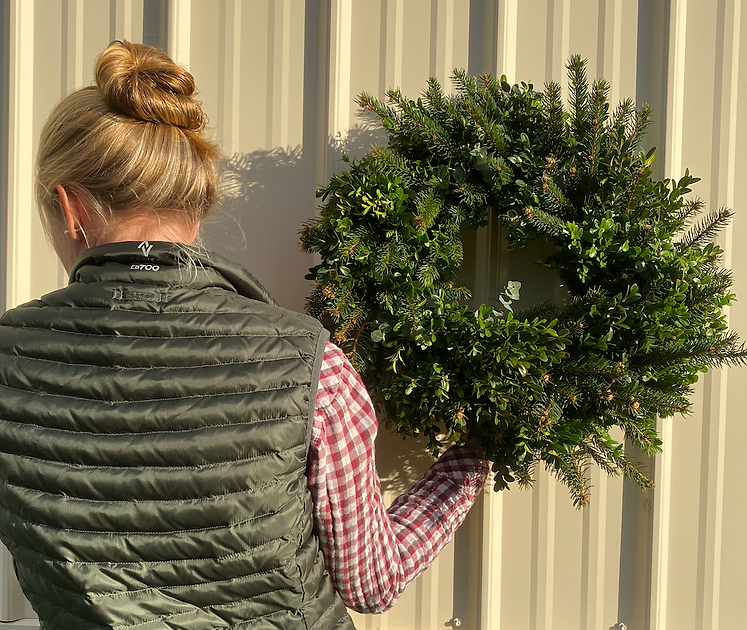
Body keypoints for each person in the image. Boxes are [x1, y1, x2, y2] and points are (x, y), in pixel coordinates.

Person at [0, 41, 488, 629]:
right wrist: (470, 462)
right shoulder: (313, 369)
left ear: (69, 207)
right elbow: (370, 581)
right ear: (198, 204)